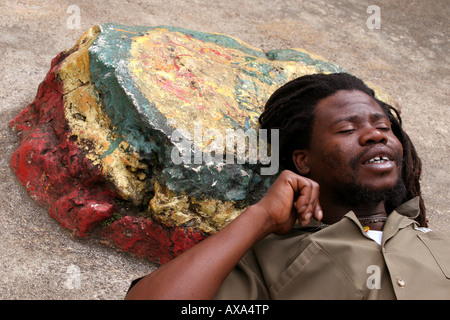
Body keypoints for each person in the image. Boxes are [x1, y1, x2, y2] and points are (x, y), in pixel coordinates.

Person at [125, 73, 450, 300]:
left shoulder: (440, 245)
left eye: (383, 126)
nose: (376, 134)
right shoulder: (272, 263)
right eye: (347, 128)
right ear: (303, 161)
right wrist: (260, 217)